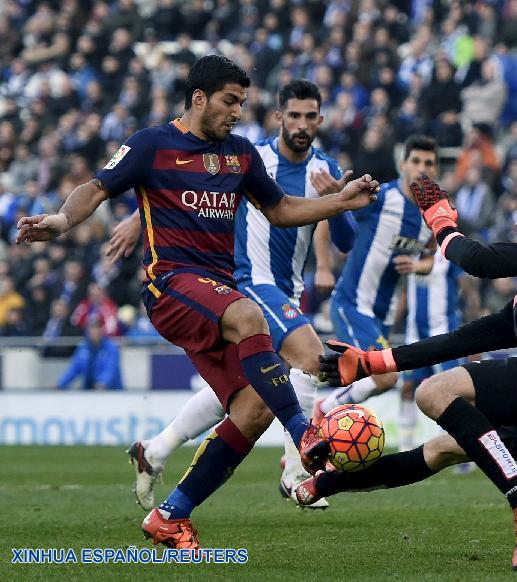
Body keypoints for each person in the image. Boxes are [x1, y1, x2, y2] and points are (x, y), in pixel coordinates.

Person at [16, 55, 379, 549]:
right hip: (170, 284)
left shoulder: (240, 155)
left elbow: (281, 209)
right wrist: (60, 221)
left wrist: (340, 202)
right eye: (230, 102)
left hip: (217, 294)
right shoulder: (152, 144)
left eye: (242, 103)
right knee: (251, 316)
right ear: (199, 98)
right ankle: (305, 433)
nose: (236, 112)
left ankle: (171, 514)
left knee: (252, 409)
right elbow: (97, 187)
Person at [306, 178, 517, 571]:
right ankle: (326, 483)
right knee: (440, 449)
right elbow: (458, 341)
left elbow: (481, 261)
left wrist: (441, 221)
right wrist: (374, 362)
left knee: (432, 392)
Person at [111, 79, 356, 512]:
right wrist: (138, 217)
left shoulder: (326, 166)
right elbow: (178, 187)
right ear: (279, 117)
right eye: (293, 115)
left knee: (254, 389)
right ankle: (298, 468)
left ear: (320, 119)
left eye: (310, 116)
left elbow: (346, 239)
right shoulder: (248, 154)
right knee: (310, 357)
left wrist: (336, 199)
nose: (302, 124)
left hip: (288, 291)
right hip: (246, 282)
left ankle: (157, 450)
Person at [312, 135, 439, 420]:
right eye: (416, 161)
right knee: (386, 378)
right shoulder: (380, 197)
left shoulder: (430, 215)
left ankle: (310, 451)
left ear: (437, 170)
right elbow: (329, 210)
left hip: (382, 314)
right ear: (403, 164)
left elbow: (430, 257)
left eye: (429, 163)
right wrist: (322, 265)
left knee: (362, 389)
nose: (422, 168)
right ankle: (321, 410)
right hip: (352, 303)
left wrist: (418, 267)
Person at [398, 251, 466, 451]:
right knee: (408, 387)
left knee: (450, 390)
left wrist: (472, 315)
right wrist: (396, 321)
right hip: (414, 334)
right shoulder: (412, 253)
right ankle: (405, 446)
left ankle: (455, 442)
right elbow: (405, 291)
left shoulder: (448, 254)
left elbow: (466, 284)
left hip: (443, 333)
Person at [56, 319, 123, 390]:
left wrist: (102, 382)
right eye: (91, 328)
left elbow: (110, 369)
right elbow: (73, 368)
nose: (94, 331)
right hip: (88, 390)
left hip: (111, 391)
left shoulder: (111, 347)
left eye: (96, 328)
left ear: (102, 330)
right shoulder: (83, 347)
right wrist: (61, 384)